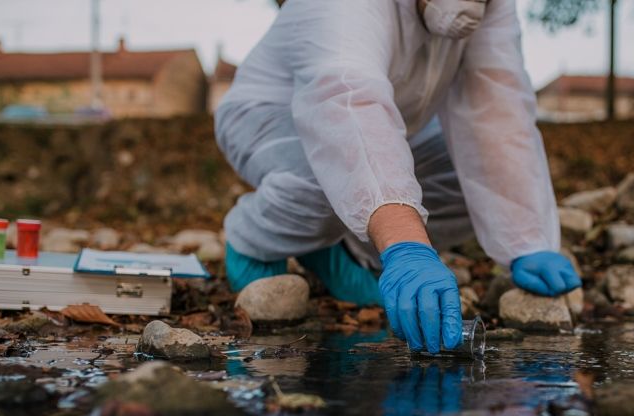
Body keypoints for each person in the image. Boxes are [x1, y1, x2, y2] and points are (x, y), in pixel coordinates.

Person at [215, 0, 581, 355]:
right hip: (271, 118)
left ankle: (343, 250)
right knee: (331, 180)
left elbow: (495, 109)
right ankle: (253, 241)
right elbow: (347, 105)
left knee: (469, 180)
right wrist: (406, 245)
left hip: (396, 122)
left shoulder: (493, 7)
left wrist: (526, 240)